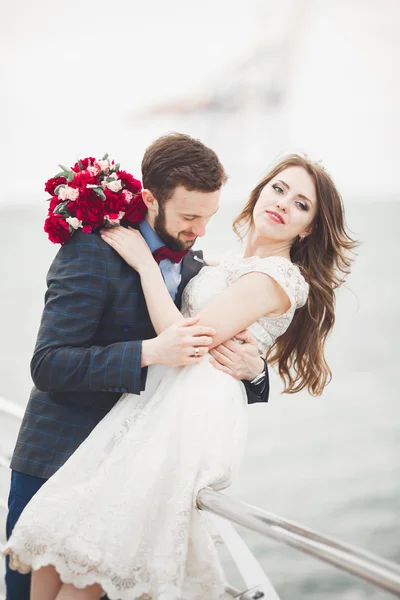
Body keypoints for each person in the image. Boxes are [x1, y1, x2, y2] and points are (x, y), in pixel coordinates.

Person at [4, 152, 357, 600]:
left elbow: (188, 339)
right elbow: (49, 362)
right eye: (279, 188)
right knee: (48, 572)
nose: (285, 204)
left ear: (308, 228)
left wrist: (254, 371)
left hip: (172, 427)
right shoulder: (207, 263)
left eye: (302, 205)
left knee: (88, 568)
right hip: (76, 443)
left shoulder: (276, 277)